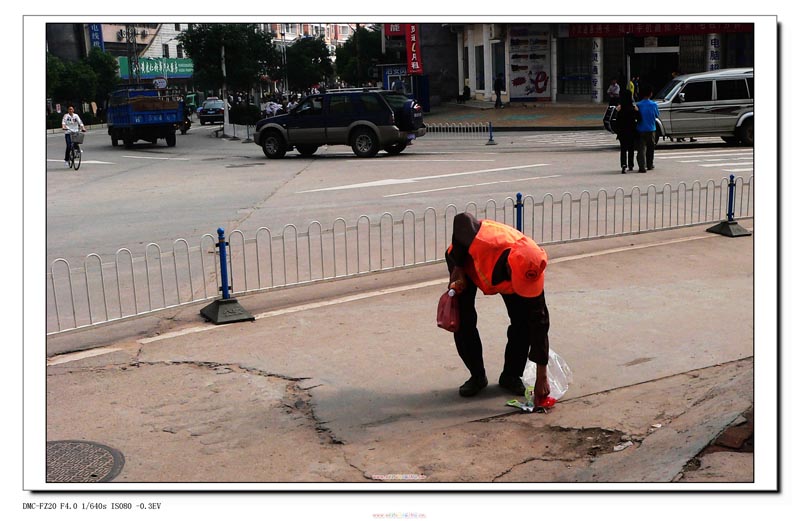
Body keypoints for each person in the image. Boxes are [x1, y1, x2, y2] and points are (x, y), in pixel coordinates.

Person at [445, 212, 551, 401]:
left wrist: (542, 375)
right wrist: (458, 267)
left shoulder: (532, 266)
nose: (524, 289)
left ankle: (511, 375)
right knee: (464, 320)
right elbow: (462, 219)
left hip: (499, 273)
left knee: (524, 323)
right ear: (510, 267)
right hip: (467, 265)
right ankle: (477, 376)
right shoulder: (486, 243)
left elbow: (540, 322)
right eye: (520, 283)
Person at [635, 84, 660, 173]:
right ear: (650, 94)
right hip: (651, 129)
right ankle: (649, 165)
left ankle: (642, 166)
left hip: (640, 129)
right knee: (651, 148)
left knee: (641, 149)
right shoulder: (654, 105)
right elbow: (657, 115)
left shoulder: (638, 105)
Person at [615, 90, 639, 174]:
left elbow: (616, 120)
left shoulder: (620, 109)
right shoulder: (632, 108)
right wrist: (637, 110)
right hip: (631, 131)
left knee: (623, 149)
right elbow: (639, 118)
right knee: (631, 148)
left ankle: (623, 165)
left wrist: (616, 111)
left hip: (622, 132)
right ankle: (631, 165)